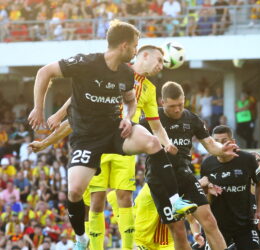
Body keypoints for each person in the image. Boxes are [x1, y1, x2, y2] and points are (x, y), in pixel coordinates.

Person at [27, 19, 195, 250]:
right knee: (76, 192)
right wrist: (40, 109)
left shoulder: (127, 75)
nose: (136, 51)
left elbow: (130, 102)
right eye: (135, 46)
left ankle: (175, 202)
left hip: (116, 131)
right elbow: (46, 73)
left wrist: (128, 117)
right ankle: (82, 240)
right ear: (125, 46)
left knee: (151, 143)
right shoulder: (86, 63)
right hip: (87, 138)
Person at [133, 81, 236, 250]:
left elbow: (210, 144)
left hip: (185, 176)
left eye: (180, 104)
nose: (177, 109)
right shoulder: (151, 118)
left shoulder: (192, 119)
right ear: (162, 102)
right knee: (178, 231)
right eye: (172, 106)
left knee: (209, 221)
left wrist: (222, 150)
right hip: (161, 180)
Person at [200, 125, 260, 250]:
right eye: (216, 142)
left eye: (224, 141)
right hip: (217, 226)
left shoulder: (247, 159)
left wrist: (259, 211)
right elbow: (204, 197)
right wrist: (205, 188)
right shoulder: (207, 164)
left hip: (244, 224)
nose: (221, 145)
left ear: (233, 142)